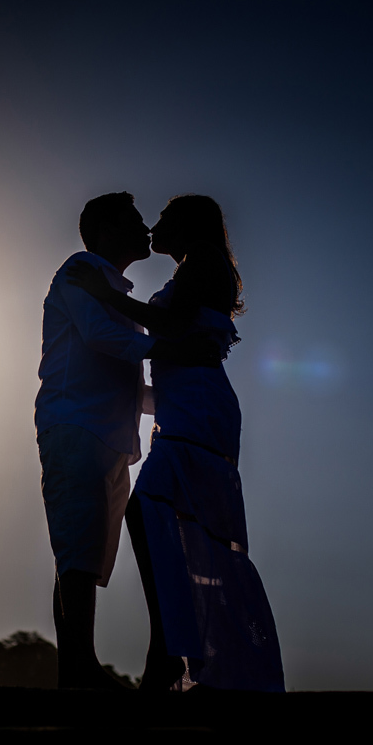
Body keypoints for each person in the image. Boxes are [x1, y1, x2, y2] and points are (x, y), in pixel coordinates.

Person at [67, 194, 285, 692]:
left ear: (186, 223)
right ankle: (168, 650)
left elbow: (168, 326)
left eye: (164, 216)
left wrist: (106, 294)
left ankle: (168, 651)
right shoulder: (193, 267)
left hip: (198, 407)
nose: (155, 223)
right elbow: (173, 339)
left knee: (151, 514)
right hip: (182, 406)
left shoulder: (202, 260)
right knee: (160, 520)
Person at [35, 191, 217, 689]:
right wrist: (173, 347)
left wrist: (185, 398)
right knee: (77, 551)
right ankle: (79, 669)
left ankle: (77, 668)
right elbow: (99, 337)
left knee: (86, 552)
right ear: (108, 228)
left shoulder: (113, 287)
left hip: (110, 437)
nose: (145, 228)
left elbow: (126, 379)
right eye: (135, 219)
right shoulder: (79, 272)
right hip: (76, 427)